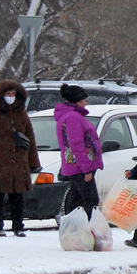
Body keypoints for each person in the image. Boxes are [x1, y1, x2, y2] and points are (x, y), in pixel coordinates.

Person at [0, 80, 41, 236]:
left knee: (18, 196)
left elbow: (30, 137)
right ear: (1, 95)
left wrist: (33, 161)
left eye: (13, 94)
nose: (11, 96)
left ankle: (18, 226)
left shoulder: (21, 112)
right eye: (8, 94)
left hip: (19, 162)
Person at [55, 83, 103, 217]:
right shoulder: (73, 117)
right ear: (77, 101)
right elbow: (76, 145)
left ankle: (73, 230)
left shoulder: (70, 116)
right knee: (90, 200)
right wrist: (86, 169)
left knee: (75, 199)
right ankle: (85, 230)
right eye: (84, 100)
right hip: (80, 167)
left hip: (75, 165)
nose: (86, 103)